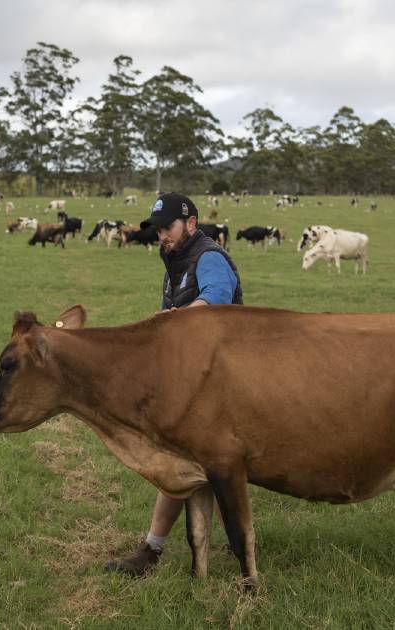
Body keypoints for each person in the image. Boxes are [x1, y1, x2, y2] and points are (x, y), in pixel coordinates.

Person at [103, 192, 243, 577]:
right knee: (194, 468)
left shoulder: (208, 256)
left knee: (182, 463)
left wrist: (172, 320)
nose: (162, 234)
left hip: (221, 379)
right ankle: (225, 544)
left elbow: (216, 298)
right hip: (195, 376)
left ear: (191, 224)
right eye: (158, 228)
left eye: (168, 227)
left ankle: (154, 550)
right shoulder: (176, 259)